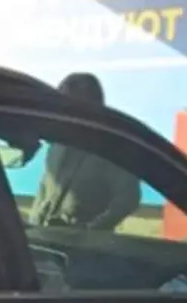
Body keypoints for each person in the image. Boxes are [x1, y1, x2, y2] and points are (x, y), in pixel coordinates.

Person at [27, 72, 142, 230]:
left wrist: (92, 230)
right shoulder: (57, 144)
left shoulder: (112, 149)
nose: (62, 111)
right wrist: (32, 226)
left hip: (86, 242)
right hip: (44, 236)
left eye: (69, 105)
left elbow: (128, 199)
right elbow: (44, 188)